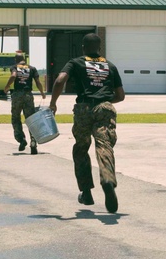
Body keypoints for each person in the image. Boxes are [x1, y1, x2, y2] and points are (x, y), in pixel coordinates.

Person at [49, 33, 125, 213]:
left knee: (81, 148)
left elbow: (60, 80)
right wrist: (104, 102)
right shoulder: (110, 66)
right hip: (104, 109)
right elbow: (120, 96)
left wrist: (53, 103)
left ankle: (86, 192)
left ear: (83, 47)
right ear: (99, 48)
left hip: (83, 109)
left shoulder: (75, 62)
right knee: (104, 146)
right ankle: (107, 179)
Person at [2, 54, 45, 154]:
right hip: (28, 95)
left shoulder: (14, 67)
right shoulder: (32, 68)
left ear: (16, 60)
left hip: (17, 95)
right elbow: (38, 82)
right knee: (31, 120)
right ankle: (33, 142)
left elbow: (13, 75)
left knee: (16, 118)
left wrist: (7, 86)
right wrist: (42, 92)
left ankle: (21, 139)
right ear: (24, 60)